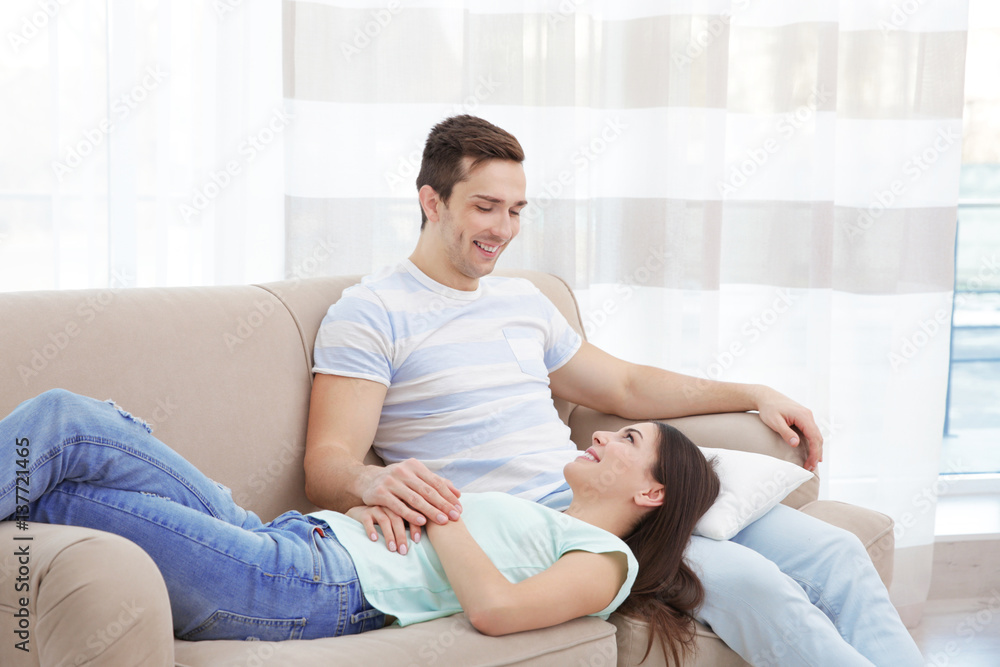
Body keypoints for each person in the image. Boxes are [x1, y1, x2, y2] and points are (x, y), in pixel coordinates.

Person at [303, 115, 925, 665]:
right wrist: (373, 483)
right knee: (759, 590)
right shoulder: (372, 312)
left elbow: (625, 384)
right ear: (432, 202)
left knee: (838, 553)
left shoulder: (522, 300)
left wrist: (752, 390)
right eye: (485, 206)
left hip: (615, 485)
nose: (504, 228)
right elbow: (327, 463)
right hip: (557, 523)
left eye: (517, 210)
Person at [1, 388, 719, 663]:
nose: (608, 436)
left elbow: (497, 609)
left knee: (64, 503)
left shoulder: (604, 560)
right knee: (72, 421)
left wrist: (439, 510)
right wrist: (370, 508)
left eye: (630, 441)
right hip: (290, 538)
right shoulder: (541, 515)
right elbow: (419, 554)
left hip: (301, 587)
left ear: (653, 491)